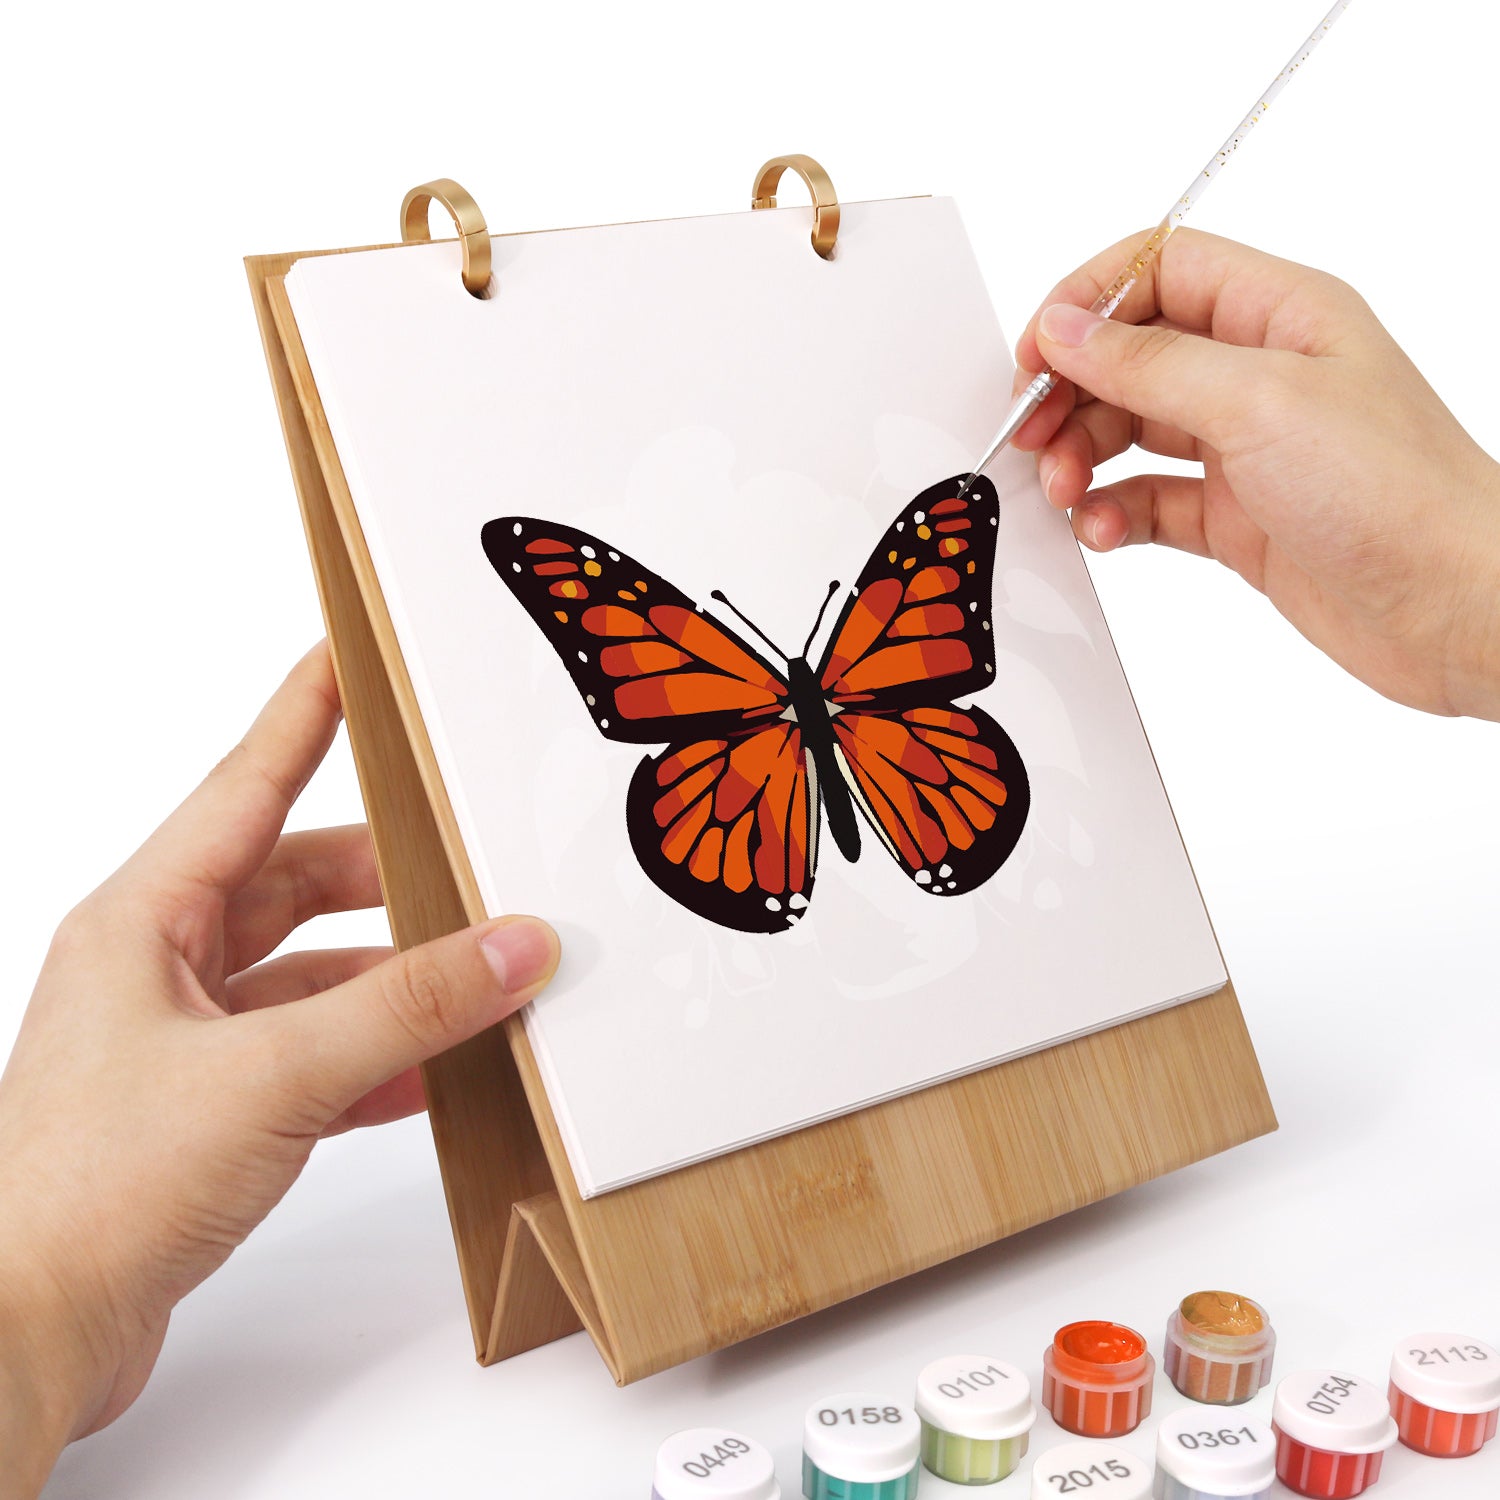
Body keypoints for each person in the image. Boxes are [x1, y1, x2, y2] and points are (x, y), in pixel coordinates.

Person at [1, 229, 1496, 1498]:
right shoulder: (842, 615)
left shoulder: (778, 624)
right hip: (879, 750)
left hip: (756, 772)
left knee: (787, 814)